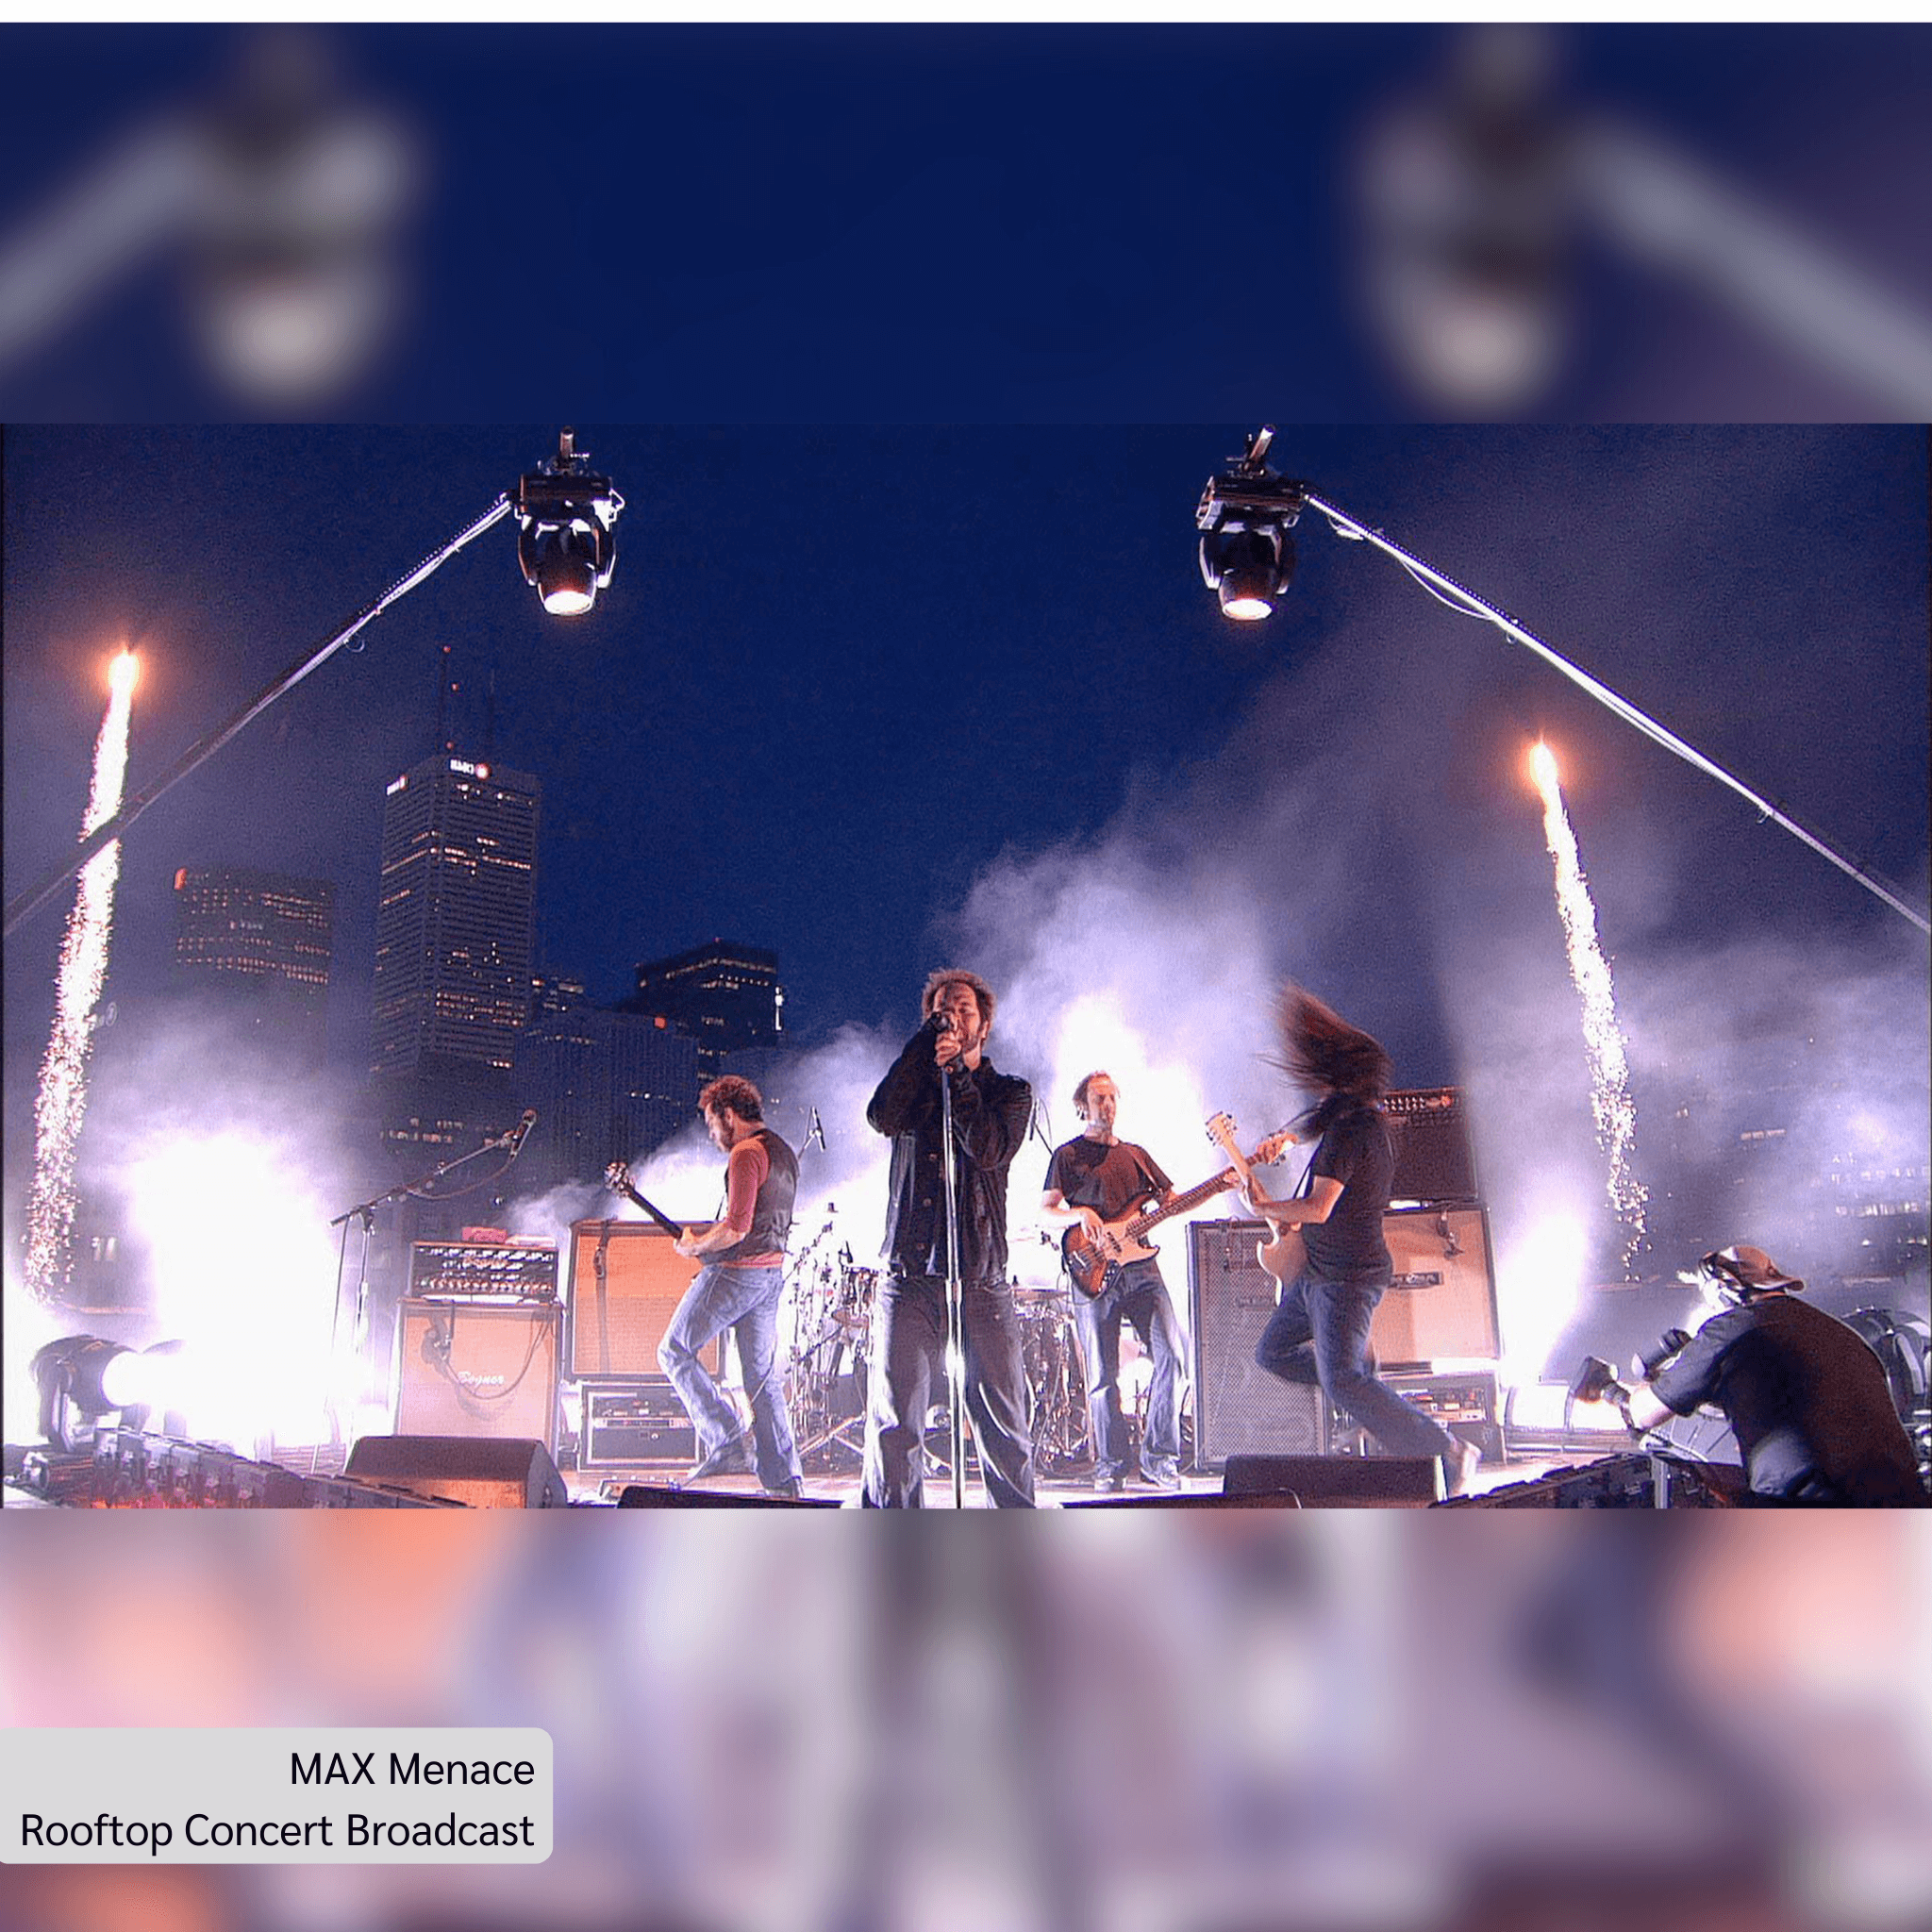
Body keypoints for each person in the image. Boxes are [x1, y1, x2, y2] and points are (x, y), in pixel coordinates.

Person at [1243, 984, 1480, 1497]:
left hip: (1346, 1280)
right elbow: (1313, 1122)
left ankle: (1449, 1448)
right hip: (1317, 1276)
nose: (1317, 1090)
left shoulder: (1350, 1135)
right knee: (1272, 1353)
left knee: (1342, 1380)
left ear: (1336, 1082)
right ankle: (1358, 1382)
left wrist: (1265, 1208)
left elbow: (1318, 1208)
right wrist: (1285, 1138)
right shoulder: (1358, 1119)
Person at [862, 968, 1036, 1507]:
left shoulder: (1010, 1093)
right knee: (896, 1427)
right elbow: (879, 1114)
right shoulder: (914, 1092)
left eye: (962, 1009)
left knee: (1004, 1426)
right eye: (941, 1010)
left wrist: (957, 1075)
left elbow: (986, 1147)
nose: (952, 1018)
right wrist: (923, 1051)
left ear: (984, 1025)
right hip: (909, 1277)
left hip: (980, 1277)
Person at [1582, 1244, 1926, 1507]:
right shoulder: (1842, 1335)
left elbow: (1643, 1414)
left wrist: (1608, 1388)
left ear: (1724, 1288)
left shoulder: (1731, 1329)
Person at [1040, 1071, 1188, 1491]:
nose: (1107, 1105)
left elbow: (1169, 1198)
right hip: (1094, 1270)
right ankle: (1110, 1465)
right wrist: (1079, 1214)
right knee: (1103, 1375)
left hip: (1142, 1269)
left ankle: (1160, 1459)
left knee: (1172, 1359)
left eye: (1112, 1098)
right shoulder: (1068, 1156)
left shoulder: (1137, 1155)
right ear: (1082, 1106)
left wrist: (1210, 1189)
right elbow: (1045, 1211)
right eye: (1099, 1098)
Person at [661, 1074, 806, 1499]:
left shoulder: (745, 1153)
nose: (711, 1134)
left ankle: (725, 1438)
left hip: (737, 1273)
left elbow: (737, 1229)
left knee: (674, 1350)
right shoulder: (782, 1150)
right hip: (770, 1276)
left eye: (711, 1123)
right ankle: (784, 1482)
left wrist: (693, 1248)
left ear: (729, 1113)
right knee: (761, 1379)